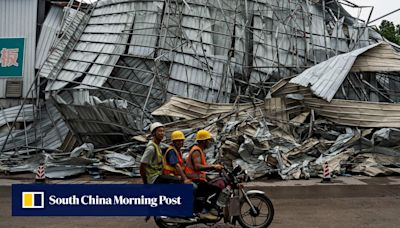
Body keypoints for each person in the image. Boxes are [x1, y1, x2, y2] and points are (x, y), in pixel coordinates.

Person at [185, 129, 224, 220]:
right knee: (216, 189)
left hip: (198, 178)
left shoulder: (200, 150)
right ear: (203, 141)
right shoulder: (196, 151)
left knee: (213, 184)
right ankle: (205, 211)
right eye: (208, 140)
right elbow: (197, 167)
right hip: (194, 179)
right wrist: (214, 166)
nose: (210, 142)